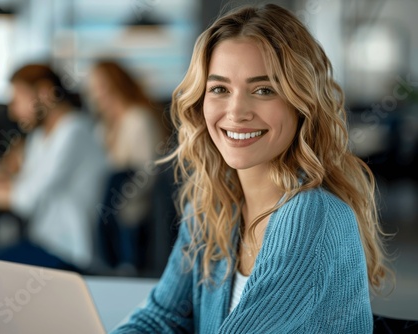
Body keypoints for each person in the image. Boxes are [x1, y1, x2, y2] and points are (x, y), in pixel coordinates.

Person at [112, 4, 390, 333]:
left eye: (263, 90)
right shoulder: (210, 209)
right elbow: (159, 318)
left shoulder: (313, 215)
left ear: (301, 104)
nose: (236, 111)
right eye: (219, 89)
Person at [0, 64, 109, 273]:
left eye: (17, 101)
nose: (13, 112)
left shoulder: (74, 132)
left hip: (68, 252)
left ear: (45, 93)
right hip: (43, 243)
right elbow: (21, 181)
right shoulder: (42, 135)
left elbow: (26, 198)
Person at [87, 60, 170, 271]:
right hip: (108, 213)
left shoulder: (139, 119)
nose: (95, 93)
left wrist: (121, 202)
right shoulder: (102, 126)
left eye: (100, 85)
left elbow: (149, 171)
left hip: (133, 213)